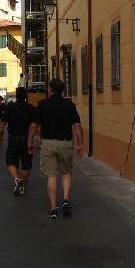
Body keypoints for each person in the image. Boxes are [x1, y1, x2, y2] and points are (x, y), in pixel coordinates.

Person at [28, 78, 84, 219]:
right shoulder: (69, 105)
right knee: (66, 173)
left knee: (51, 175)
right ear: (62, 90)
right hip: (65, 143)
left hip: (48, 143)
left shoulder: (43, 104)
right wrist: (80, 144)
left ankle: (53, 209)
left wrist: (30, 142)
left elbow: (34, 126)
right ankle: (65, 200)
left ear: (50, 89)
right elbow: (77, 126)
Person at [0, 87, 36, 195]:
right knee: (26, 164)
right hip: (26, 138)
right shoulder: (31, 108)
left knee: (10, 161)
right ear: (26, 96)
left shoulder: (10, 107)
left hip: (13, 137)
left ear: (16, 96)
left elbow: (3, 123)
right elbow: (34, 126)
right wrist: (33, 140)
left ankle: (17, 179)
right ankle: (22, 187)